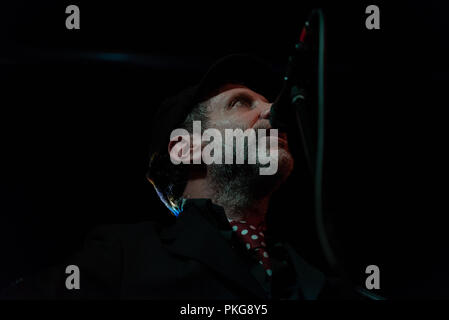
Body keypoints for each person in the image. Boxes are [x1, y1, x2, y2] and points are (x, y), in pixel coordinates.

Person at [1, 54, 380, 300]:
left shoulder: (322, 282)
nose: (272, 112)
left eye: (267, 101)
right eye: (242, 103)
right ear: (186, 148)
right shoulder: (124, 256)